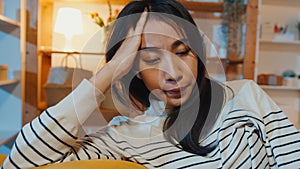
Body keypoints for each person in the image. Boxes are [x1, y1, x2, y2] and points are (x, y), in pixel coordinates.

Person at [2, 0, 300, 168]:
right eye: (151, 59)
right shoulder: (125, 136)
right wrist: (111, 70)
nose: (174, 72)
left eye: (182, 51)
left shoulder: (246, 95)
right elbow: (21, 163)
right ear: (133, 69)